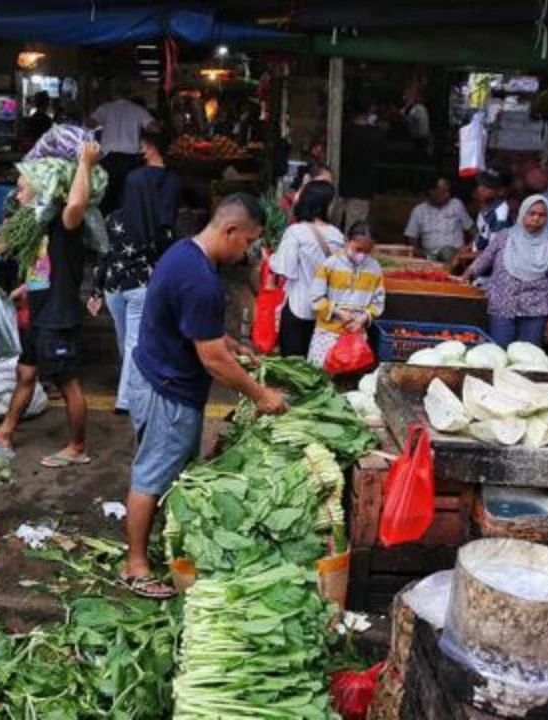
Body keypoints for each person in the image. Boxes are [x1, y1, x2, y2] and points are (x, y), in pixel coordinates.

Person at [122, 194, 287, 598]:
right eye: (248, 241)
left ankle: (150, 548)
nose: (247, 252)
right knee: (152, 475)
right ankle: (135, 566)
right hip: (168, 391)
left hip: (153, 375)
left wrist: (230, 342)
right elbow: (211, 360)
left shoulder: (183, 253)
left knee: (156, 468)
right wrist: (260, 393)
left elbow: (198, 329)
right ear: (230, 230)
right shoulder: (201, 280)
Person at [0, 143, 98, 467]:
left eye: (23, 190)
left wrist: (85, 162)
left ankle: (78, 446)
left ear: (41, 190)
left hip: (58, 316)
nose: (18, 196)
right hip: (41, 312)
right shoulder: (43, 225)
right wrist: (26, 287)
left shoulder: (66, 221)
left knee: (67, 381)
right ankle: (5, 431)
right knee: (26, 372)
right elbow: (45, 267)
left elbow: (78, 201)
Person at [88, 129, 182, 413]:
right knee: (134, 342)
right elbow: (165, 256)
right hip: (142, 286)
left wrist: (96, 291)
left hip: (114, 287)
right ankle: (128, 397)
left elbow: (104, 255)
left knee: (124, 340)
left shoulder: (112, 219)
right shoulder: (159, 226)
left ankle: (127, 392)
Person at [461, 194, 548, 347]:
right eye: (532, 213)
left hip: (535, 310)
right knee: (499, 352)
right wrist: (465, 276)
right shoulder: (505, 236)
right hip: (502, 306)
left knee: (527, 358)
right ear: (522, 214)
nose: (536, 219)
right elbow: (483, 260)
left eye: (542, 215)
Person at [271, 180, 345, 359]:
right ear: (323, 206)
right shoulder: (337, 235)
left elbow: (284, 269)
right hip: (326, 313)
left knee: (293, 369)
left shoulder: (296, 232)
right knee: (317, 370)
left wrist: (271, 258)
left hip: (299, 308)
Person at [307, 221, 386, 367]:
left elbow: (378, 302)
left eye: (367, 251)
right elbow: (316, 298)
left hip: (356, 334)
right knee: (320, 375)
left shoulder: (375, 268)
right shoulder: (330, 264)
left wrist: (362, 319)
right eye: (358, 249)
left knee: (349, 379)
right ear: (347, 241)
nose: (362, 255)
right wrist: (339, 313)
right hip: (328, 333)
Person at [92, 82, 154, 215]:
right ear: (130, 94)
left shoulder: (105, 108)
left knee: (106, 198)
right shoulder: (138, 110)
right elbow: (154, 128)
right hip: (131, 161)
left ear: (113, 93)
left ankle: (106, 226)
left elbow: (89, 124)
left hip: (108, 160)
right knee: (128, 197)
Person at [403, 177, 473, 261]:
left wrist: (470, 249)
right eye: (443, 192)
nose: (447, 195)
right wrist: (418, 255)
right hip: (430, 257)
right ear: (431, 191)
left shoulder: (456, 205)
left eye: (448, 191)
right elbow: (411, 237)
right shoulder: (419, 210)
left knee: (447, 252)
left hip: (456, 256)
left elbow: (472, 229)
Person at [339, 101, 382, 232]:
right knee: (354, 228)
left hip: (341, 184)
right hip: (362, 187)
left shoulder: (343, 130)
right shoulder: (376, 134)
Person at [472, 168, 513, 252]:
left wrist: (462, 257)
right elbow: (481, 240)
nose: (481, 189)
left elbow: (494, 251)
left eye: (488, 186)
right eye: (481, 184)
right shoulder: (488, 210)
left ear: (501, 191)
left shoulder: (501, 215)